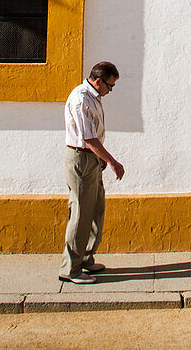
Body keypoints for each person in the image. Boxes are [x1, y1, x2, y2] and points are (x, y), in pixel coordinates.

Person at [59, 61, 125, 284]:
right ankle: (70, 269)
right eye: (109, 86)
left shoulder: (94, 97)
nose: (110, 90)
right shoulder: (80, 99)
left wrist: (100, 159)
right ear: (98, 81)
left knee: (96, 209)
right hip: (81, 160)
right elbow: (88, 138)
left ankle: (85, 258)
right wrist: (113, 161)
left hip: (92, 159)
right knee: (80, 215)